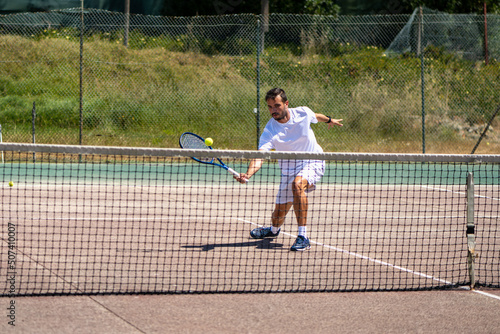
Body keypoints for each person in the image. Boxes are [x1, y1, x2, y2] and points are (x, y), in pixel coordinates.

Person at [235, 88, 343, 251]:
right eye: (270, 107)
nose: (273, 110)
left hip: (312, 160)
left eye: (277, 106)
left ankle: (303, 236)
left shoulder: (302, 113)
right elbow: (260, 156)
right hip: (288, 170)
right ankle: (273, 231)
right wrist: (248, 174)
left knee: (297, 185)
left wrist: (329, 120)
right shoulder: (270, 130)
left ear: (286, 104)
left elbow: (316, 116)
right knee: (278, 214)